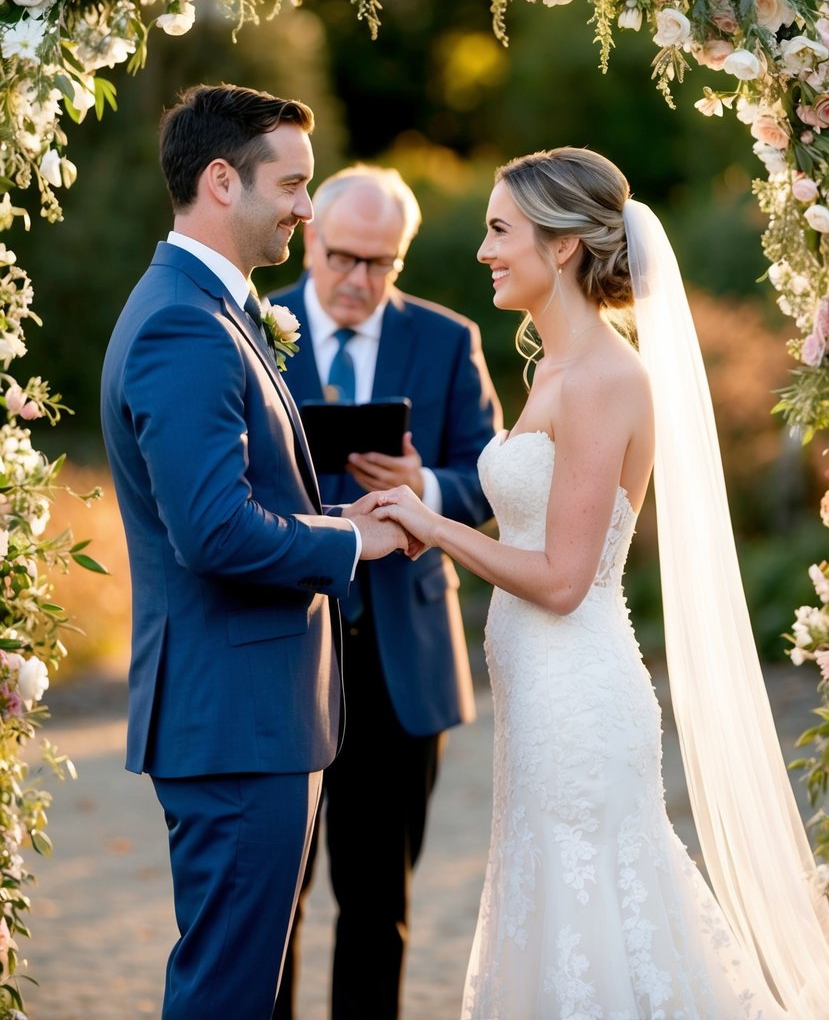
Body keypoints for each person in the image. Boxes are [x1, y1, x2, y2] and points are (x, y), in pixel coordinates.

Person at [371, 147, 829, 1018]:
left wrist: (434, 527)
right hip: (541, 700)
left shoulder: (604, 379)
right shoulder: (550, 368)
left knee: (597, 915)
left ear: (563, 246)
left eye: (500, 230)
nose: (483, 252)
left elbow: (562, 579)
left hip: (578, 698)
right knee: (559, 911)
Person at [100, 85, 414, 1020]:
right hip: (234, 723)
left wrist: (338, 508)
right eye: (293, 184)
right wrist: (348, 539)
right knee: (227, 995)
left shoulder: (210, 308)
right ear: (222, 180)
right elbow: (214, 532)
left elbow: (244, 499)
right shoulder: (181, 324)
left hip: (246, 716)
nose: (306, 209)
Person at [268, 164, 501, 1020]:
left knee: (379, 906)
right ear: (309, 239)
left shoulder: (446, 340)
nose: (360, 280)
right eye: (343, 258)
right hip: (283, 651)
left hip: (401, 662)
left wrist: (426, 488)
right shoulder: (251, 330)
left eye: (381, 262)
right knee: (271, 905)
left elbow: (493, 478)